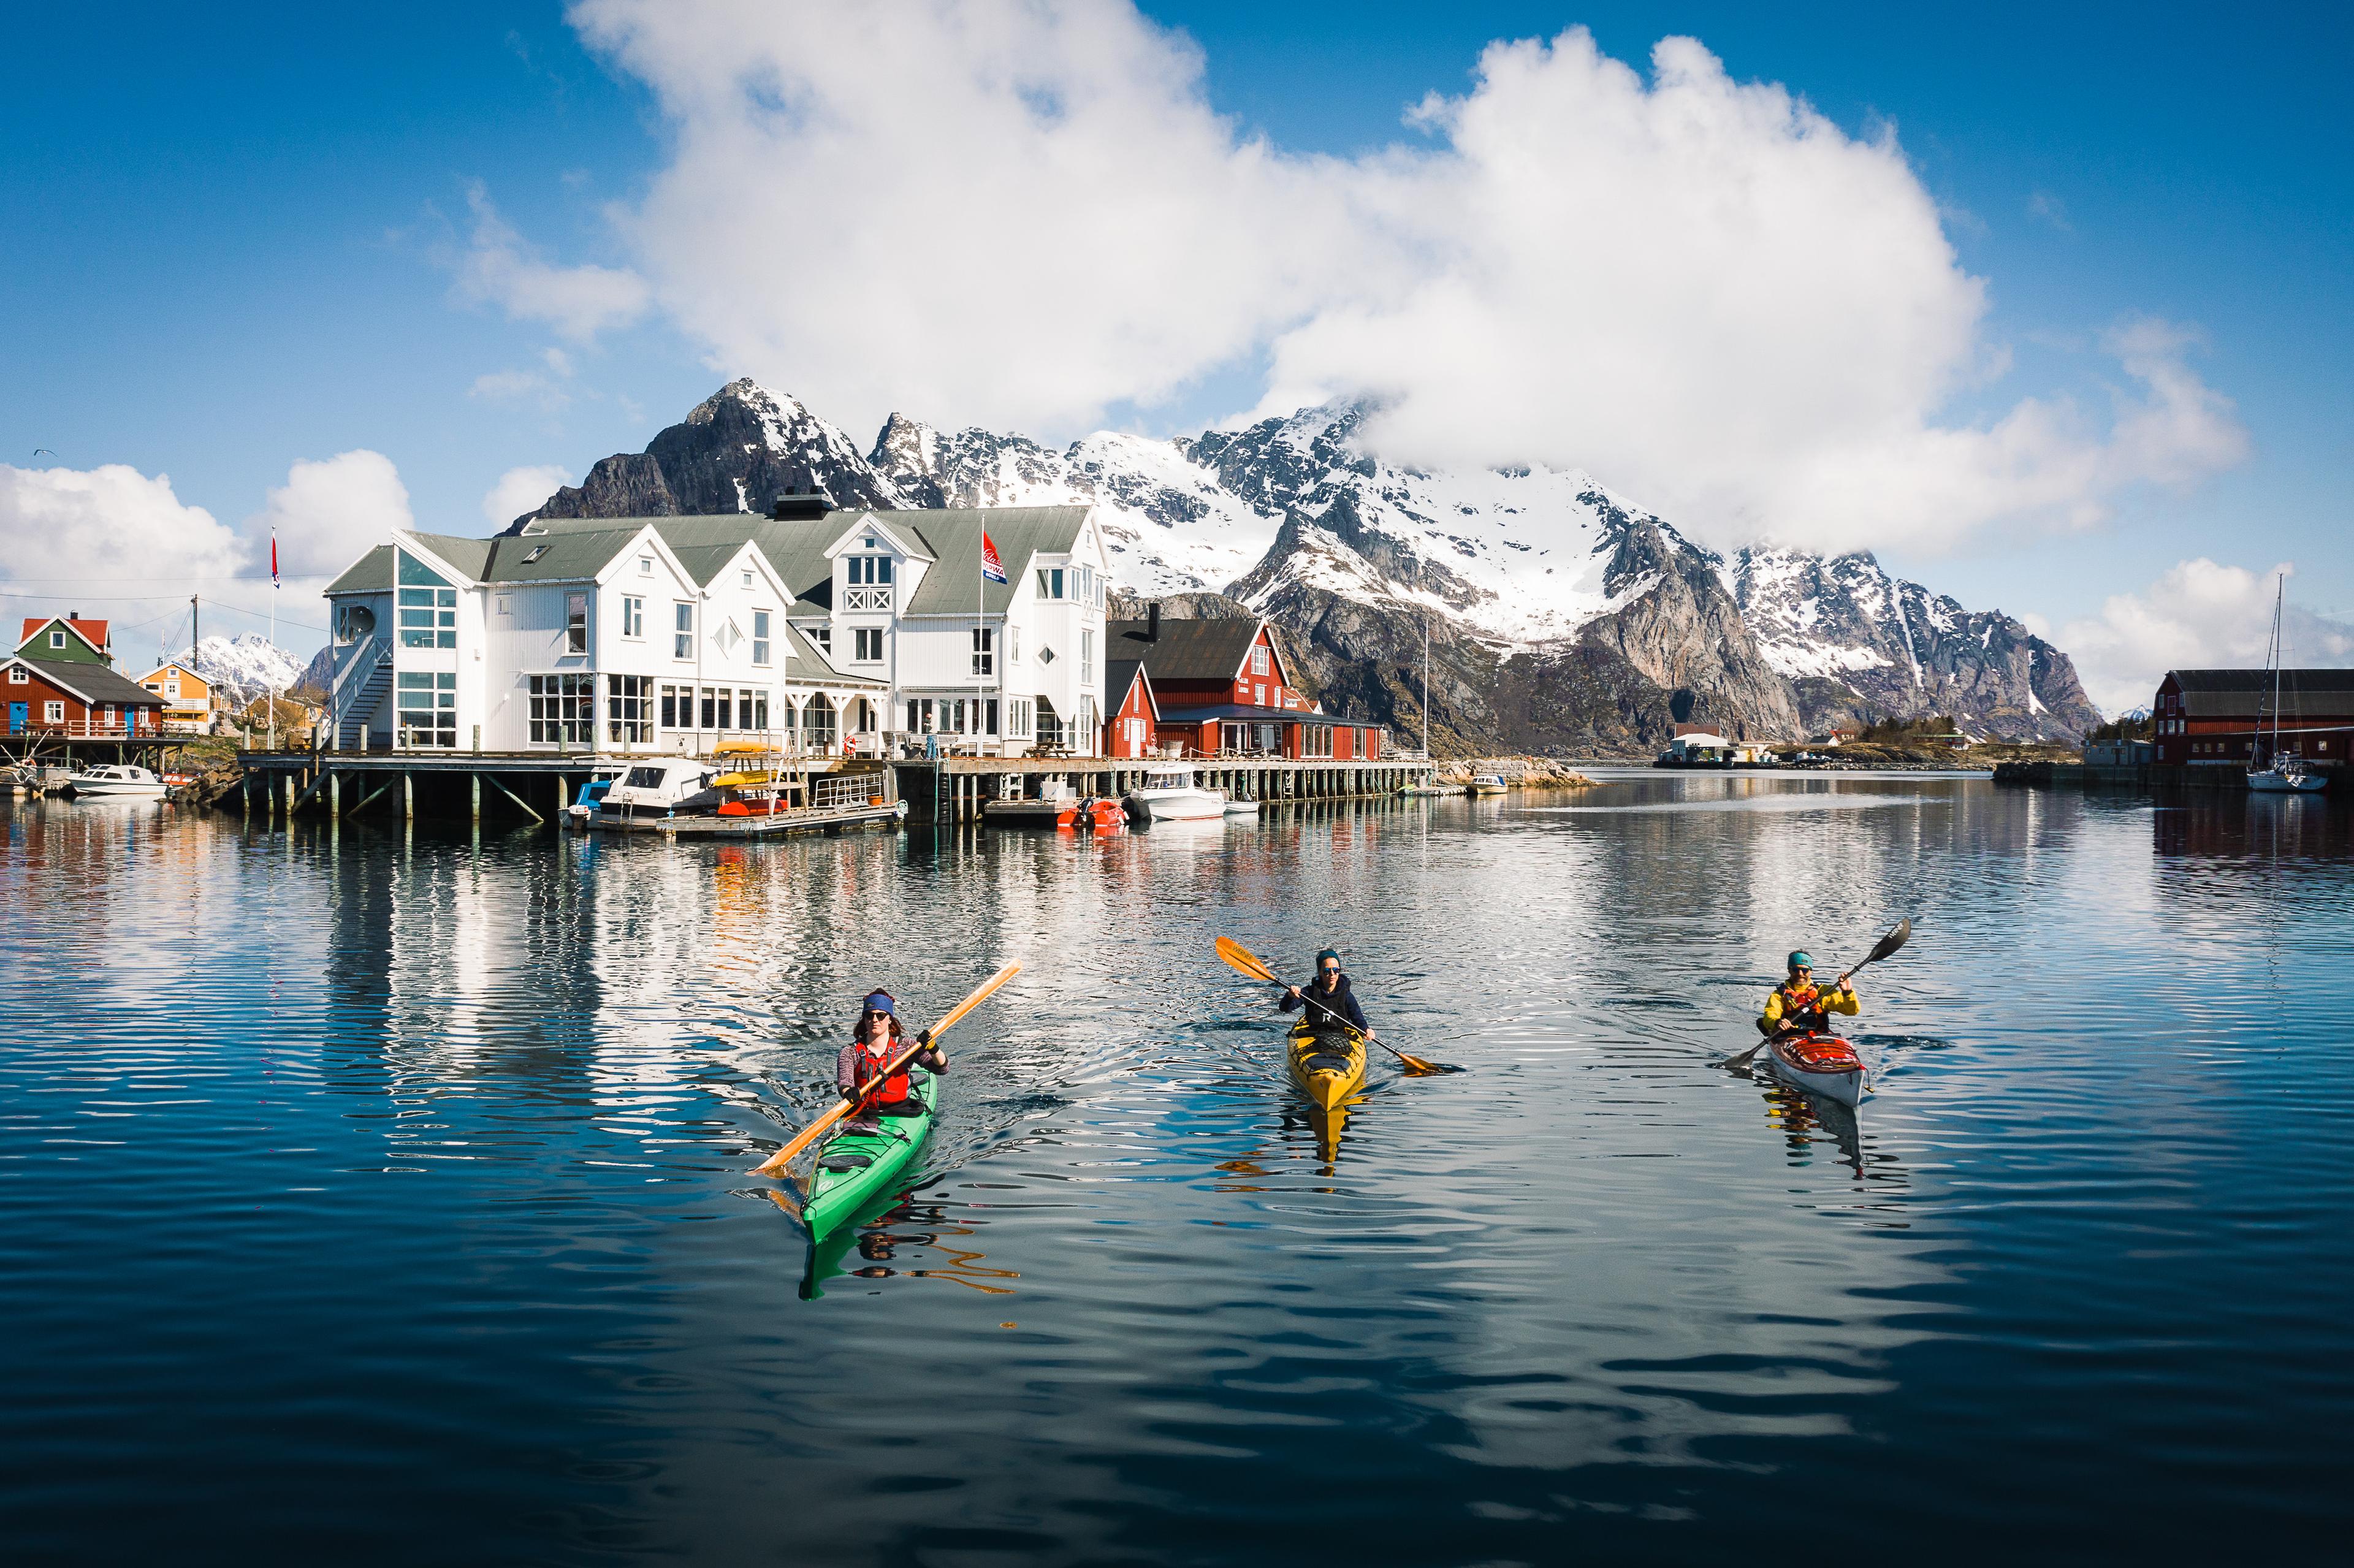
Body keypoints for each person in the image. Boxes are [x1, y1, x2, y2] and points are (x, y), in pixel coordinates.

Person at [836, 990, 948, 1130]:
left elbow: (942, 1069)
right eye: (869, 1015)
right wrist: (848, 1092)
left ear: (890, 1019)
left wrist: (933, 1047)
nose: (875, 1020)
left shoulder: (906, 1047)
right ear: (864, 1020)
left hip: (902, 1111)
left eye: (881, 1015)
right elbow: (844, 1082)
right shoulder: (850, 1052)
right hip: (863, 1113)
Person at [1758, 951, 1859, 1038]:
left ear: (1811, 971)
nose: (1800, 973)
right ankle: (1771, 1032)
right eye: (1796, 969)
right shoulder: (1779, 995)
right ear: (1789, 970)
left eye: (1805, 970)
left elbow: (1851, 1011)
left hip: (1819, 1036)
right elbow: (1770, 1015)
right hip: (1789, 1036)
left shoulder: (1823, 992)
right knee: (1762, 1022)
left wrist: (1848, 993)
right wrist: (1777, 1022)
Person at [1280, 949, 1376, 1041]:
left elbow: (1357, 1018)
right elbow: (1284, 1008)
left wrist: (1366, 1030)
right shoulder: (1309, 992)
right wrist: (1290, 996)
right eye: (1327, 971)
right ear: (1320, 972)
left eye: (1336, 970)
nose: (1332, 974)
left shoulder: (1347, 995)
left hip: (1341, 1036)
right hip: (1313, 1036)